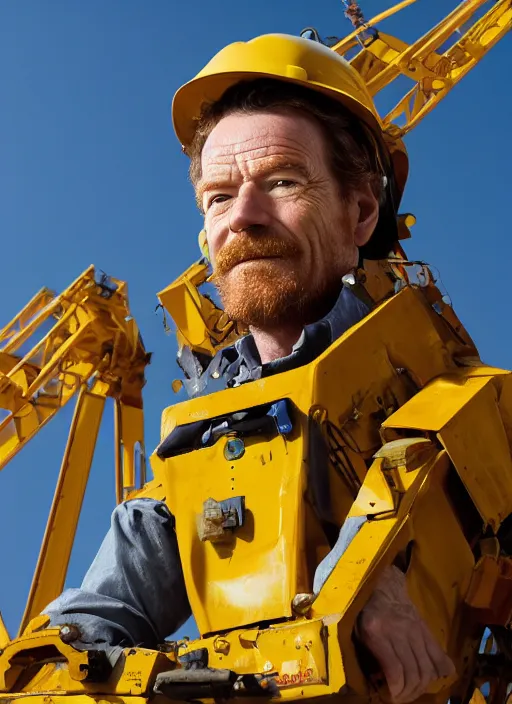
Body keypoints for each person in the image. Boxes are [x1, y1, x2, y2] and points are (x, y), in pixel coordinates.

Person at [43, 34, 455, 703]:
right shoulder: (192, 449)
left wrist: (372, 573)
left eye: (283, 182)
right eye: (218, 196)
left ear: (360, 214)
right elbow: (83, 634)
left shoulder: (460, 400)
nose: (244, 216)